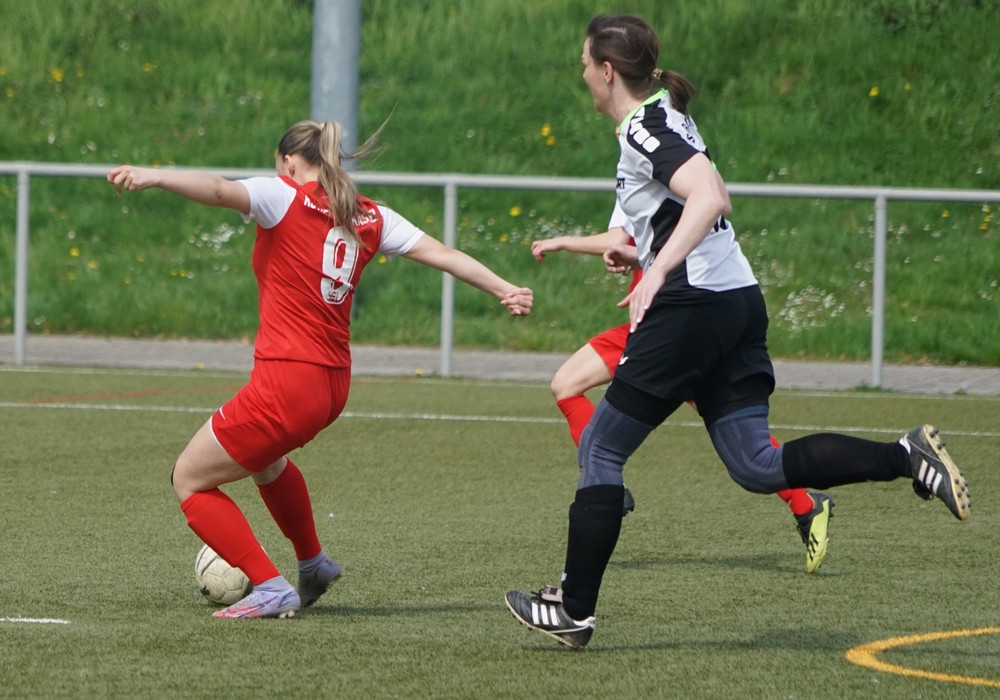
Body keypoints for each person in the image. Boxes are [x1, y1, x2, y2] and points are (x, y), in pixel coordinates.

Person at [505, 13, 969, 650]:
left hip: (692, 310)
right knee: (757, 465)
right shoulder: (661, 115)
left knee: (602, 452)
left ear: (607, 71)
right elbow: (672, 212)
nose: (582, 74)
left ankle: (575, 609)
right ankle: (905, 456)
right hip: (735, 303)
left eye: (586, 64)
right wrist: (635, 251)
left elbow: (710, 196)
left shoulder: (646, 125)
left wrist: (657, 269)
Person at [108, 119, 533, 619]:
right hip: (332, 386)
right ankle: (313, 562)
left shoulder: (282, 195)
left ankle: (269, 586)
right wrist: (505, 287)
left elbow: (220, 190)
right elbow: (442, 254)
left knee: (189, 479)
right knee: (265, 462)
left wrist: (154, 175)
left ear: (290, 162)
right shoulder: (369, 214)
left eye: (278, 164)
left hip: (287, 382)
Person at [531, 203, 834, 574]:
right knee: (566, 383)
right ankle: (608, 488)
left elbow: (688, 235)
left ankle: (806, 505)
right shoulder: (635, 174)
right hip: (646, 330)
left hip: (676, 331)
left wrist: (565, 242)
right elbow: (618, 239)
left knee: (739, 440)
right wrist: (599, 249)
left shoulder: (672, 176)